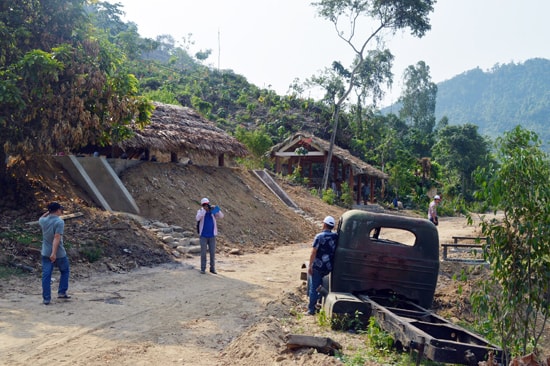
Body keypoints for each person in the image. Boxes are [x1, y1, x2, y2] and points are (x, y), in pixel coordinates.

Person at [38, 202, 71, 305]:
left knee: (46, 275)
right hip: (59, 252)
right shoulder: (59, 222)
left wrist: (48, 212)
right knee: (65, 271)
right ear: (57, 210)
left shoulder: (43, 221)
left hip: (45, 252)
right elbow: (57, 237)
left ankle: (46, 298)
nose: (61, 211)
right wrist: (54, 253)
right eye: (60, 209)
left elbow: (41, 217)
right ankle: (62, 292)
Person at [306, 215, 338, 315]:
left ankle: (311, 309)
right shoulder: (336, 237)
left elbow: (313, 252)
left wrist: (310, 266)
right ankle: (320, 304)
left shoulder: (319, 237)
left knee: (314, 287)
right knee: (322, 286)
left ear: (324, 224)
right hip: (328, 267)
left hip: (317, 267)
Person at [196, 197, 224, 274]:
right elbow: (197, 218)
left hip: (212, 235)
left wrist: (216, 209)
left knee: (212, 253)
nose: (206, 206)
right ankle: (203, 268)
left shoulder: (212, 211)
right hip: (203, 236)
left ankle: (212, 268)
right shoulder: (200, 211)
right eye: (204, 205)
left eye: (207, 204)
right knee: (203, 253)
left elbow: (221, 216)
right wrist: (204, 211)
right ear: (202, 205)